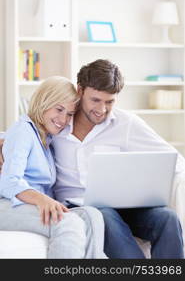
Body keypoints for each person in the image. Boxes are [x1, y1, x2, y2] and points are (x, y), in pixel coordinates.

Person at [0, 60, 184, 258]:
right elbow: (27, 133)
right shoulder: (59, 123)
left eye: (110, 102)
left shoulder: (126, 123)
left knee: (167, 217)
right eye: (95, 100)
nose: (102, 109)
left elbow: (175, 160)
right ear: (80, 91)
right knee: (104, 215)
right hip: (81, 206)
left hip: (125, 203)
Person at [0, 76, 106, 259]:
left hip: (29, 205)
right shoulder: (23, 131)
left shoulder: (47, 139)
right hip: (8, 205)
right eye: (59, 109)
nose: (63, 119)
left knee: (92, 216)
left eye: (70, 114)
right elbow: (9, 183)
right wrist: (43, 200)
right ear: (44, 102)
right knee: (65, 222)